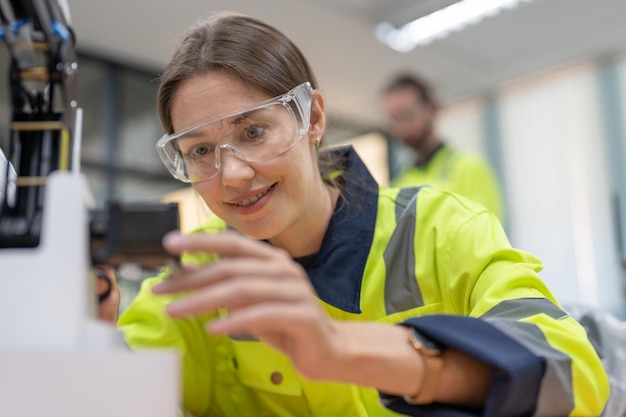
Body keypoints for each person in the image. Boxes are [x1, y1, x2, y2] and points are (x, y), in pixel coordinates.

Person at [100, 11, 610, 417]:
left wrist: (347, 348)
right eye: (199, 151)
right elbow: (110, 392)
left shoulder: (438, 228)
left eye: (253, 132)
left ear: (313, 118)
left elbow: (573, 373)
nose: (231, 174)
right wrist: (87, 342)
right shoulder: (199, 276)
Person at [380, 74, 506, 223]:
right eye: (395, 119)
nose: (402, 127)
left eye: (408, 115)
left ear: (432, 109)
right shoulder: (400, 183)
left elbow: (487, 235)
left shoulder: (470, 167)